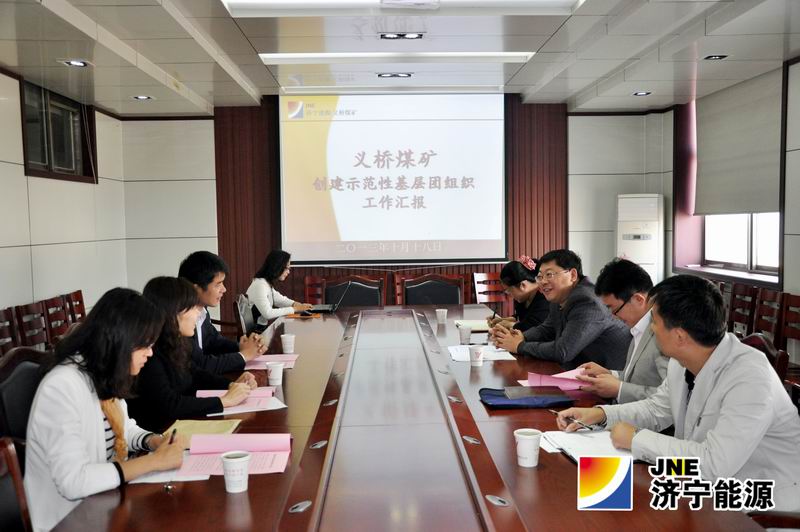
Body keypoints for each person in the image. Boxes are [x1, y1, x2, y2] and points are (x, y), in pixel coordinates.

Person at [556, 275, 800, 512]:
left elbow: (713, 465)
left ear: (679, 335)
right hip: (701, 489)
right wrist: (601, 414)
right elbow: (656, 409)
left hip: (760, 507)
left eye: (654, 321)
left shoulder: (751, 377)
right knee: (600, 507)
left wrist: (636, 439)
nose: (651, 328)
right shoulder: (683, 360)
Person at [24, 288, 185, 531]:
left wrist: (154, 441)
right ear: (121, 340)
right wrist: (154, 462)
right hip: (67, 521)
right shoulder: (61, 387)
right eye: (145, 344)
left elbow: (123, 429)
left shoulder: (102, 372)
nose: (150, 353)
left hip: (105, 507)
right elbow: (74, 482)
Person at [127, 277, 255, 433]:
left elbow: (195, 373)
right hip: (158, 435)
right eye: (193, 307)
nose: (198, 312)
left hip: (178, 427)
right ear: (173, 313)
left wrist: (230, 384)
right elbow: (169, 405)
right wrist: (224, 401)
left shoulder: (176, 341)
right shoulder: (148, 353)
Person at [493, 249, 630, 370]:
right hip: (579, 370)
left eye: (549, 274)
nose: (543, 282)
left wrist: (519, 346)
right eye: (540, 276)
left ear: (573, 275)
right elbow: (547, 328)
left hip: (608, 377)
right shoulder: (559, 296)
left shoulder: (588, 302)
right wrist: (522, 336)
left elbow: (563, 351)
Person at [575, 258, 669, 403]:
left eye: (615, 309)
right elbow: (634, 379)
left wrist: (619, 389)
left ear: (638, 299)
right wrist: (608, 374)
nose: (613, 316)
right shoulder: (638, 327)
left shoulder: (664, 334)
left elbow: (670, 399)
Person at [179, 251, 266, 374]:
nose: (224, 289)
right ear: (196, 288)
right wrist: (244, 355)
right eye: (218, 284)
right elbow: (201, 364)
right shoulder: (180, 320)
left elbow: (214, 342)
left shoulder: (202, 311)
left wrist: (241, 346)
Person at [246, 249, 312, 326]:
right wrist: (295, 309)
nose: (288, 272)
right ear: (277, 266)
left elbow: (280, 300)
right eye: (287, 268)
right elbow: (268, 313)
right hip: (255, 332)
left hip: (259, 329)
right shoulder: (260, 285)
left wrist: (297, 305)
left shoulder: (265, 283)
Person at [487, 256, 549, 332]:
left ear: (523, 285)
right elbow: (521, 317)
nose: (510, 295)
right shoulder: (523, 297)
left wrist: (510, 325)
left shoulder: (545, 298)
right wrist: (503, 320)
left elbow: (534, 327)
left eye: (509, 291)